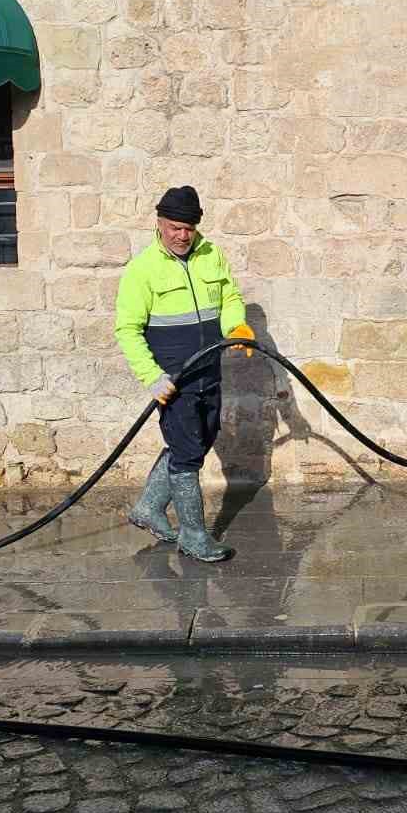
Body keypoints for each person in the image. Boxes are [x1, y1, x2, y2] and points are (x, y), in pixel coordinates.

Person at [114, 186, 255, 562]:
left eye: (188, 228)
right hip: (173, 381)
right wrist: (151, 376)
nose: (182, 235)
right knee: (188, 452)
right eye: (174, 227)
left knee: (201, 438)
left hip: (210, 369)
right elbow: (127, 329)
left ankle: (148, 507)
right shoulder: (142, 269)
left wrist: (237, 327)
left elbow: (229, 299)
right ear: (159, 224)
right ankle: (193, 535)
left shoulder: (212, 256)